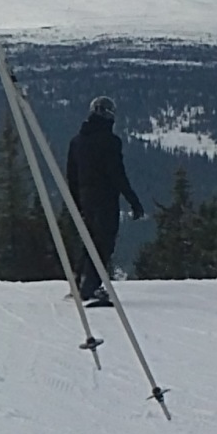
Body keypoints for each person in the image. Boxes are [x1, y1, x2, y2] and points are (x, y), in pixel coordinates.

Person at [63, 95, 145, 306]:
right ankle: (90, 287)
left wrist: (75, 203)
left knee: (89, 240)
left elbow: (72, 176)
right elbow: (117, 174)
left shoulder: (77, 141)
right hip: (105, 199)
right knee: (103, 243)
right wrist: (133, 200)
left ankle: (79, 283)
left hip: (85, 199)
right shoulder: (110, 142)